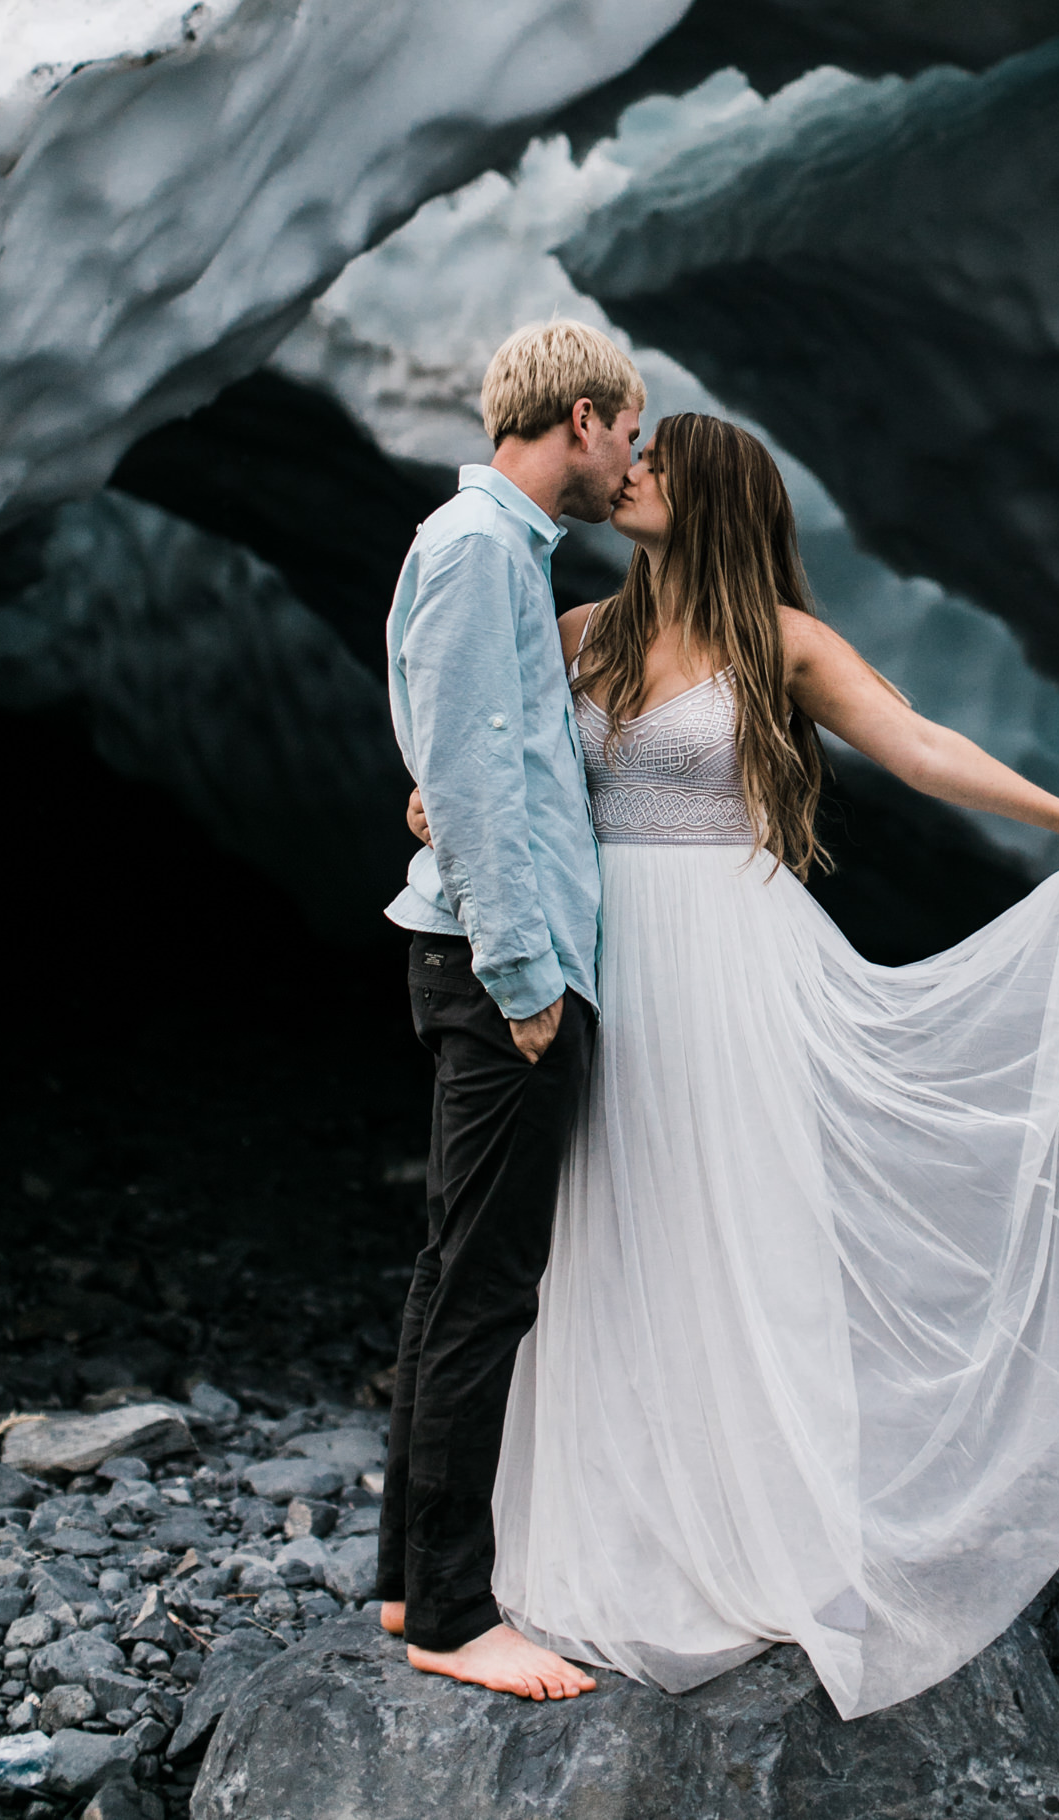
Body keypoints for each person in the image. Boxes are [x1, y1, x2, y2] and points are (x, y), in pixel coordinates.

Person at [407, 409, 1059, 1717]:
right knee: (595, 1245)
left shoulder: (780, 643)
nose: (628, 473)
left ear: (712, 494)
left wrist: (1058, 812)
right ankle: (595, 1550)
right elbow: (481, 759)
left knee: (734, 1233)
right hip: (600, 956)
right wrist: (433, 798)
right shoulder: (575, 635)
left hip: (727, 970)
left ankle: (752, 1542)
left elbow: (916, 743)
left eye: (655, 463)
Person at [375, 320, 644, 1701]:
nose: (629, 467)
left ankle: (408, 1582)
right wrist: (527, 981)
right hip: (501, 975)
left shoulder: (482, 549)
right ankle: (458, 1619)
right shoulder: (483, 551)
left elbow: (443, 743)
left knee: (448, 1273)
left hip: (479, 959)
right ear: (583, 419)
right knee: (485, 1291)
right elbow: (475, 782)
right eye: (628, 437)